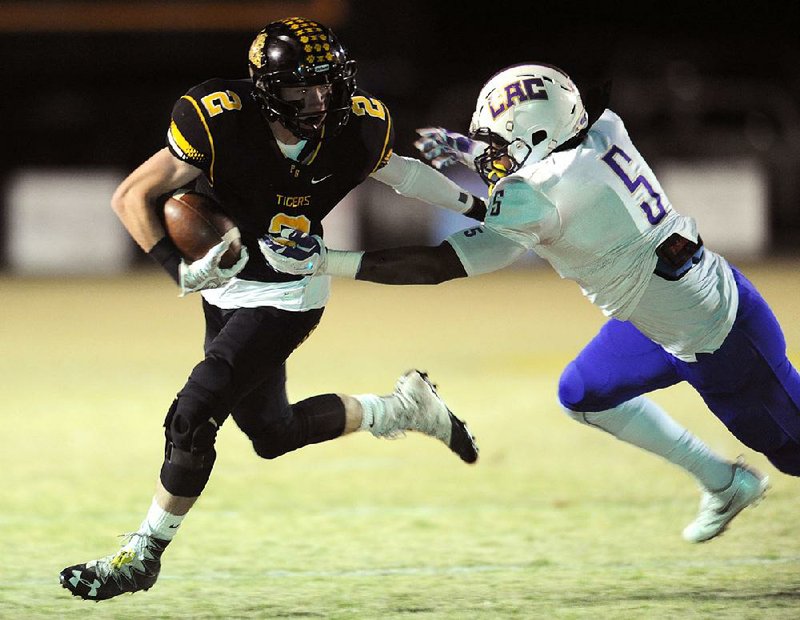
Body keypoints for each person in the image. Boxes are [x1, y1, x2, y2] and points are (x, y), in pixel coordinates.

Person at [262, 62, 800, 544]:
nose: (491, 159)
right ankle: (724, 483)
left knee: (793, 451)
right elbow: (540, 163)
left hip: (722, 342)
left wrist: (325, 260)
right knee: (583, 392)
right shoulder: (603, 127)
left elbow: (438, 264)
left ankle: (743, 477)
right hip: (664, 314)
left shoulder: (544, 198)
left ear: (539, 136)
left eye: (497, 146)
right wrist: (474, 151)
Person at [59, 17, 482, 601]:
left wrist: (474, 204)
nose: (318, 100)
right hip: (225, 291)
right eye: (301, 88)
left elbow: (403, 173)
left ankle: (142, 555)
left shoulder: (356, 126)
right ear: (264, 89)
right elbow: (132, 194)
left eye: (327, 84)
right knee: (271, 433)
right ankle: (405, 409)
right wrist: (178, 271)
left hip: (289, 292)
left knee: (193, 413)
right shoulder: (219, 119)